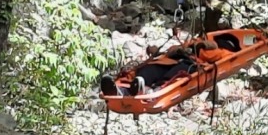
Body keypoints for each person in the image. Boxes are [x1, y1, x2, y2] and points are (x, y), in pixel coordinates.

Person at [100, 39, 235, 96]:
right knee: (150, 69)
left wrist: (203, 47)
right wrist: (183, 49)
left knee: (174, 76)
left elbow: (219, 58)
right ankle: (125, 90)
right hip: (172, 60)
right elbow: (173, 49)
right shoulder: (194, 42)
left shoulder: (224, 52)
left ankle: (152, 91)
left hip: (190, 65)